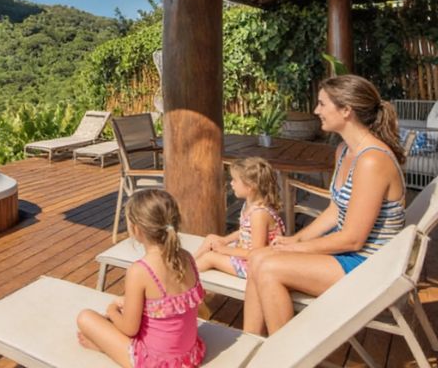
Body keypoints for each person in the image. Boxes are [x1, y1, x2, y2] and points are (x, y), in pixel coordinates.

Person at [243, 74, 406, 336]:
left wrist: (299, 249)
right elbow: (334, 211)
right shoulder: (344, 151)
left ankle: (284, 358)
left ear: (346, 110)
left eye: (322, 104)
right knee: (257, 257)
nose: (316, 110)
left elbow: (353, 240)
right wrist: (295, 239)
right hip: (348, 255)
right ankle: (249, 345)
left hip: (369, 266)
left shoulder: (372, 161)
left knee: (269, 267)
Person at [77, 189, 206, 368]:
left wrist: (113, 310)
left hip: (156, 362)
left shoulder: (140, 271)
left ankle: (106, 349)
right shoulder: (187, 257)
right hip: (188, 356)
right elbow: (167, 306)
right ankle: (108, 346)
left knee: (85, 318)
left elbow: (130, 329)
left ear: (136, 229)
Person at [193, 157, 284, 276]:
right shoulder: (249, 205)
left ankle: (185, 276)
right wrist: (225, 240)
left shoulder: (259, 215)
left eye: (235, 180)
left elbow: (257, 252)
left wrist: (225, 250)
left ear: (250, 187)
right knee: (211, 238)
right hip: (245, 256)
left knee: (210, 257)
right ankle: (188, 264)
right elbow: (245, 231)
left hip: (257, 266)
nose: (231, 183)